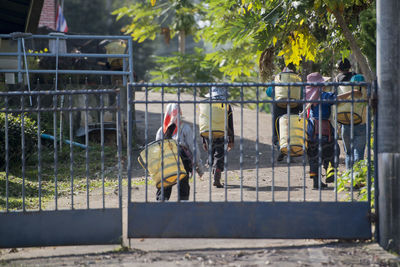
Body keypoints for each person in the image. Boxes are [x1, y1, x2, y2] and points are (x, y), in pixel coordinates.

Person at [304, 72, 362, 189]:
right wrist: (352, 92)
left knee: (314, 156)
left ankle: (316, 182)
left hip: (310, 130)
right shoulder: (324, 95)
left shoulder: (307, 97)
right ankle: (330, 171)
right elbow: (336, 99)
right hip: (324, 128)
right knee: (332, 150)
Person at [155, 103, 204, 201]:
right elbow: (194, 149)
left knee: (165, 183)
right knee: (183, 184)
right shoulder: (185, 128)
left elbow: (157, 150)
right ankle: (183, 204)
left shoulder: (161, 131)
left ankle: (162, 203)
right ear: (180, 113)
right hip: (182, 161)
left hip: (166, 161)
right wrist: (199, 168)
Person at [266, 63, 303, 162]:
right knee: (293, 130)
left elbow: (268, 92)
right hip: (295, 107)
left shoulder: (278, 80)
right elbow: (302, 94)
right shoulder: (297, 80)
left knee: (277, 131)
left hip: (279, 108)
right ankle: (289, 152)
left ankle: (282, 149)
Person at [200, 87, 234, 188]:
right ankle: (217, 177)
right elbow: (230, 124)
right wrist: (231, 139)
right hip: (221, 133)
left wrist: (203, 140)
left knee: (211, 152)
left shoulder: (206, 104)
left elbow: (202, 122)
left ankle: (212, 166)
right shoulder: (226, 105)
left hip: (208, 133)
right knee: (220, 154)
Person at [341, 74, 367, 169]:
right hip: (361, 125)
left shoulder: (346, 91)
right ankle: (357, 178)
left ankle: (349, 175)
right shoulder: (367, 92)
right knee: (359, 153)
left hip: (346, 124)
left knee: (348, 153)